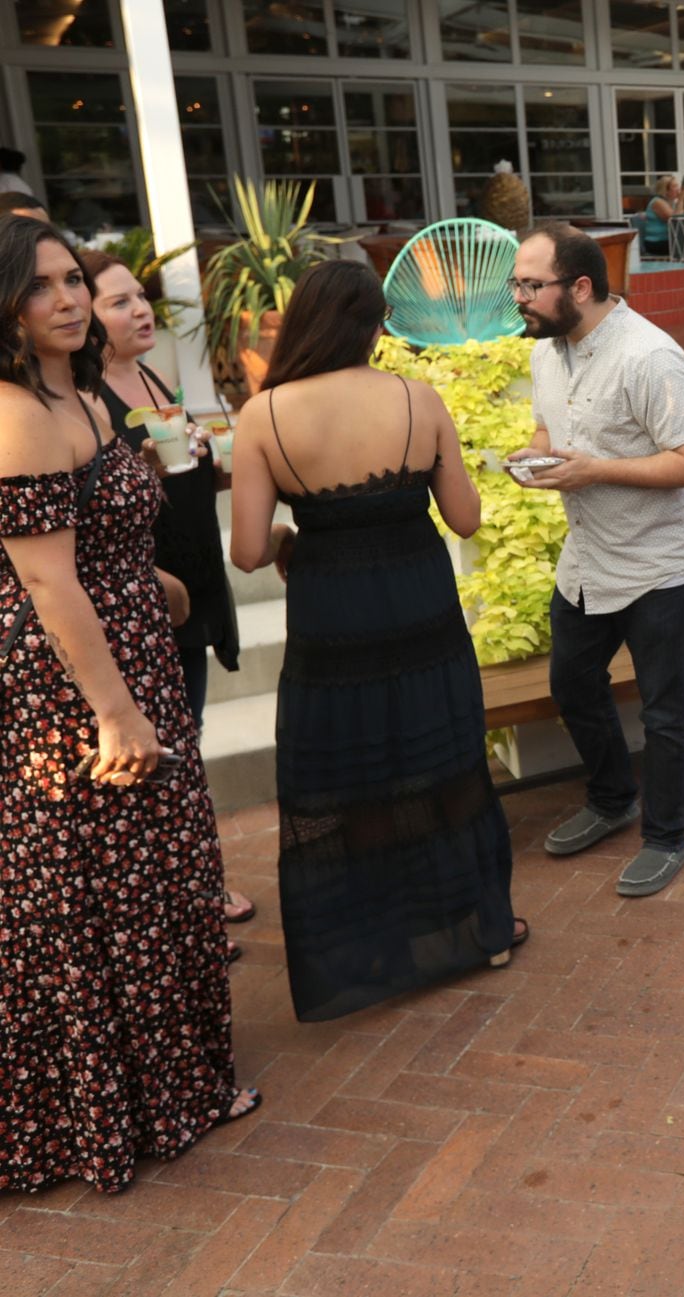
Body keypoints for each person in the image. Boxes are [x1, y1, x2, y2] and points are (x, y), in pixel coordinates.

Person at [0, 214, 257, 1193]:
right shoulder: (17, 411)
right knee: (102, 894)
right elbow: (48, 582)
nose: (67, 299)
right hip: (72, 684)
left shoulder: (82, 394)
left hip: (134, 644)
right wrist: (115, 713)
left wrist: (154, 580)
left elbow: (97, 532)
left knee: (159, 877)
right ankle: (111, 1109)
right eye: (42, 287)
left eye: (74, 280)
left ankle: (176, 1085)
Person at [229, 260, 523, 1021]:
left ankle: (370, 941)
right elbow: (464, 519)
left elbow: (248, 549)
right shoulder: (416, 399)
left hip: (332, 611)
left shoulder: (262, 416)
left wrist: (296, 537)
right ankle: (475, 929)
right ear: (371, 326)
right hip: (418, 604)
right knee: (441, 759)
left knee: (352, 770)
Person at [506, 223, 684, 898]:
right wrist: (531, 456)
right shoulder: (546, 352)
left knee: (665, 711)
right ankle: (611, 797)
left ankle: (666, 835)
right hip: (588, 560)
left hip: (657, 563)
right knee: (572, 684)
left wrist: (596, 471)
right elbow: (550, 428)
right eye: (517, 284)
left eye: (531, 285)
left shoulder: (648, 356)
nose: (520, 298)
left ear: (582, 287)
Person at [83, 250, 255, 932]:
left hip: (194, 579)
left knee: (190, 733)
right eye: (119, 302)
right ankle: (191, 892)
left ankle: (191, 883)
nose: (141, 309)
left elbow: (174, 473)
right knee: (170, 744)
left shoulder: (152, 371)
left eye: (140, 296)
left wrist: (209, 466)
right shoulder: (91, 398)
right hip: (149, 592)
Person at [642, 176, 678, 254]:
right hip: (657, 241)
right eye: (675, 186)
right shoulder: (658, 202)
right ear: (666, 190)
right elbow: (674, 220)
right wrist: (682, 199)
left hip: (668, 240)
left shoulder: (672, 203)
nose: (678, 189)